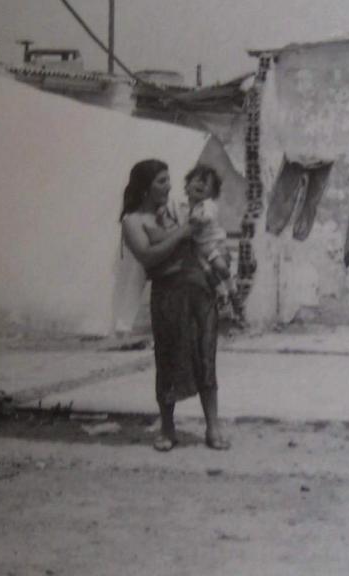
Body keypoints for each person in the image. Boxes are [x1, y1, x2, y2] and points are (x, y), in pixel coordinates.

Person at [119, 159, 229, 452]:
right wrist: (181, 233)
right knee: (168, 358)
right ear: (144, 187)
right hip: (168, 293)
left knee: (205, 355)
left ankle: (213, 426)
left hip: (199, 289)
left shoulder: (178, 210)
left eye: (169, 180)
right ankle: (168, 428)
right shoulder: (133, 221)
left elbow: (206, 235)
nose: (169, 186)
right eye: (161, 182)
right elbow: (148, 256)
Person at [183, 164, 242, 318]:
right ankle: (222, 295)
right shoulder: (187, 207)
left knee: (220, 266)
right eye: (197, 180)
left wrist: (197, 219)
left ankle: (233, 292)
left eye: (206, 183)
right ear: (187, 186)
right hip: (199, 248)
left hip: (213, 244)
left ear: (212, 192)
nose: (201, 184)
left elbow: (207, 218)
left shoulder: (208, 205)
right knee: (208, 272)